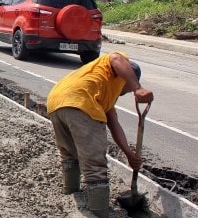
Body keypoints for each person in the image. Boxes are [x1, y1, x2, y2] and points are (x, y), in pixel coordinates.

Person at [46, 52, 154, 218]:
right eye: (126, 87)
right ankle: (100, 212)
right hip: (80, 102)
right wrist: (137, 88)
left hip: (56, 102)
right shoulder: (114, 65)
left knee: (69, 154)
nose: (124, 92)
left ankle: (70, 191)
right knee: (95, 164)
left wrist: (129, 154)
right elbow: (116, 58)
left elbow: (114, 124)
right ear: (127, 76)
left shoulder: (102, 91)